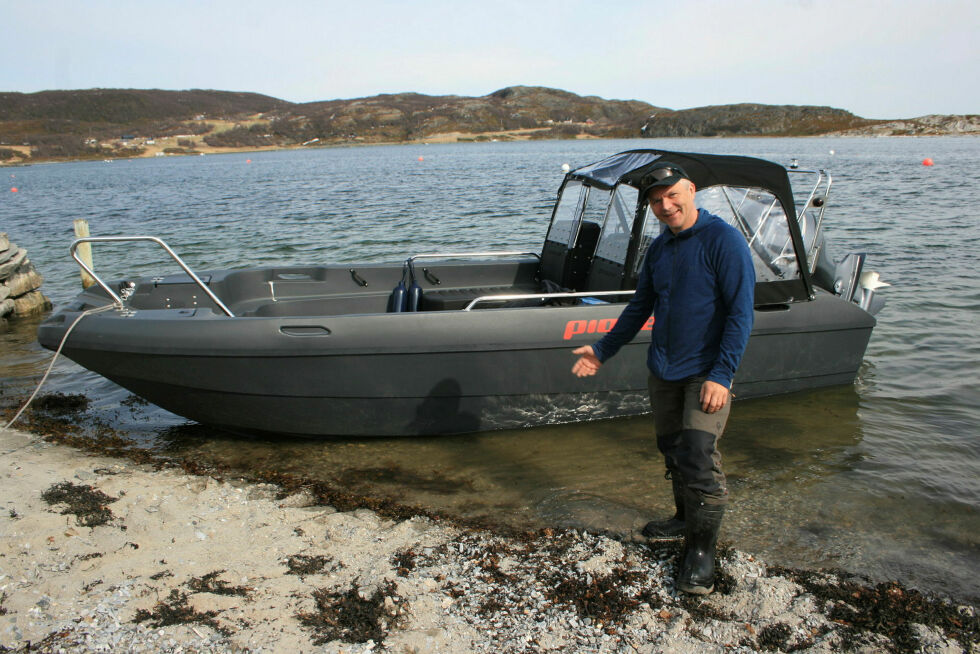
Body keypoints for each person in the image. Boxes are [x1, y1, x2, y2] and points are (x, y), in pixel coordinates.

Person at [571, 161, 755, 595]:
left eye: (672, 195)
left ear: (691, 189)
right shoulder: (660, 249)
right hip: (664, 369)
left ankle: (701, 553)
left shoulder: (723, 241)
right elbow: (640, 308)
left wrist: (721, 374)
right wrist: (602, 350)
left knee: (698, 453)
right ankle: (681, 518)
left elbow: (741, 314)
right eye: (656, 200)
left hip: (706, 372)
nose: (665, 205)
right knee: (671, 449)